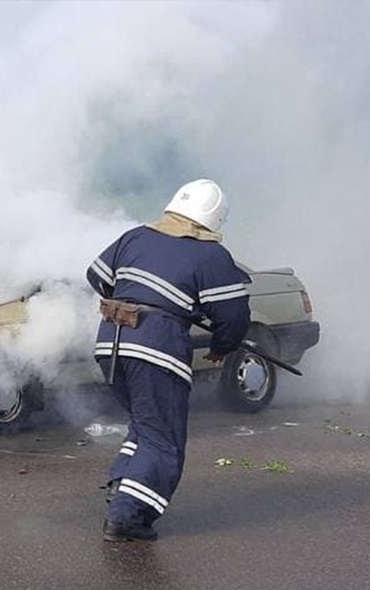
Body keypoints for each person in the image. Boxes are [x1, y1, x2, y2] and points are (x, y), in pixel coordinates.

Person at [86, 178, 251, 541]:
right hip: (156, 348)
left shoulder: (135, 237)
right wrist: (223, 345)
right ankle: (126, 517)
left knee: (146, 425)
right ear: (214, 220)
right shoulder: (210, 255)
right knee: (164, 439)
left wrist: (138, 297)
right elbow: (234, 316)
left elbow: (95, 275)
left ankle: (122, 486)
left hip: (110, 344)